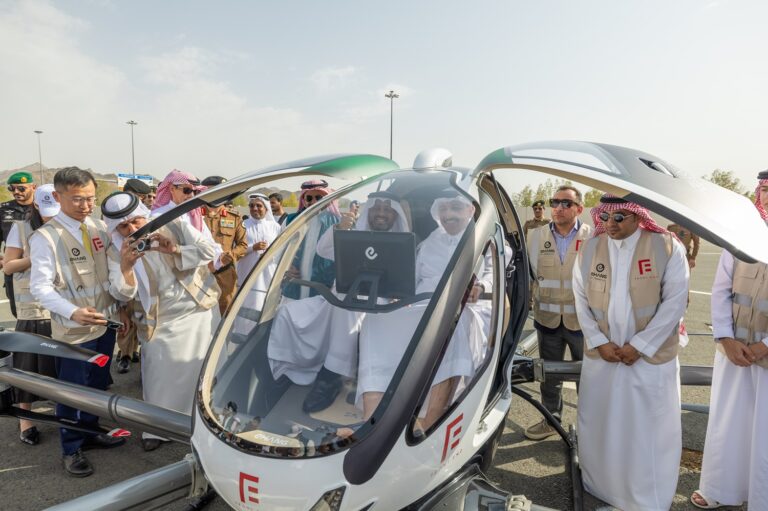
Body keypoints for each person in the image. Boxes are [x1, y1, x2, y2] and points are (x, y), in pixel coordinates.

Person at [573, 194, 689, 511]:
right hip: (604, 357)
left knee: (646, 430)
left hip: (649, 360)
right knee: (601, 423)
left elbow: (675, 303)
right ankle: (602, 486)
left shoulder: (666, 246)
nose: (610, 224)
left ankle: (645, 498)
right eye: (605, 217)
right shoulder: (590, 248)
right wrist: (598, 341)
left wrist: (640, 346)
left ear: (638, 217)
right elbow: (580, 299)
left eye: (619, 217)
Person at [29, 167, 134, 477]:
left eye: (90, 198)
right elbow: (40, 287)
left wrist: (121, 310)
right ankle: (71, 447)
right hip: (74, 331)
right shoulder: (46, 237)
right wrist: (71, 311)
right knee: (73, 391)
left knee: (98, 385)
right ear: (58, 196)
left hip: (105, 325)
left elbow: (112, 275)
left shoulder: (99, 228)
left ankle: (90, 432)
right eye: (77, 199)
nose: (86, 205)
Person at [353, 191, 488, 431]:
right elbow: (411, 279)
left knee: (453, 321)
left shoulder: (484, 238)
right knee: (376, 320)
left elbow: (492, 275)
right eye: (444, 209)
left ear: (470, 210)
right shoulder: (429, 242)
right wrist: (399, 292)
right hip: (422, 303)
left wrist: (481, 286)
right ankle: (370, 419)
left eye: (455, 208)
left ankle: (430, 421)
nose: (448, 214)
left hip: (467, 305)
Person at [268, 191, 410, 413]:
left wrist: (401, 294)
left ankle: (332, 376)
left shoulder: (406, 244)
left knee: (350, 303)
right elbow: (323, 250)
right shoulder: (353, 236)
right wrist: (340, 228)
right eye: (376, 208)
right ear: (369, 211)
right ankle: (287, 371)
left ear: (395, 215)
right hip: (338, 302)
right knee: (288, 312)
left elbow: (411, 282)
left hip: (383, 307)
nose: (381, 213)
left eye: (387, 209)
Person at [102, 192, 221, 452]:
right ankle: (157, 428)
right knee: (159, 374)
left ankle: (201, 423)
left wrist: (175, 249)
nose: (132, 229)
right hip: (159, 320)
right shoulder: (115, 251)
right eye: (124, 226)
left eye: (135, 221)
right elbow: (121, 293)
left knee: (203, 370)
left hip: (199, 310)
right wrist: (126, 266)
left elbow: (209, 251)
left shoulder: (175, 223)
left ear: (144, 215)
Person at [690, 170, 768, 510]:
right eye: (765, 189)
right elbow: (721, 290)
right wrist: (724, 338)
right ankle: (720, 489)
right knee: (728, 424)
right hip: (735, 350)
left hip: (764, 352)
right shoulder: (742, 236)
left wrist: (765, 345)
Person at [523, 186, 591, 440]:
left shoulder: (593, 236)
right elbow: (530, 276)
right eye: (555, 202)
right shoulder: (535, 236)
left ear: (579, 209)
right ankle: (551, 420)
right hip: (547, 321)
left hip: (583, 323)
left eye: (566, 203)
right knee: (550, 375)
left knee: (588, 377)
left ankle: (590, 428)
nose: (558, 208)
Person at [2, 184, 59, 445]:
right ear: (35, 205)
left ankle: (67, 411)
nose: (50, 217)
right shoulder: (22, 228)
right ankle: (25, 420)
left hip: (64, 307)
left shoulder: (68, 226)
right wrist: (37, 257)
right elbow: (9, 265)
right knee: (28, 365)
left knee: (62, 365)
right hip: (34, 310)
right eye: (46, 211)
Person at [115, 179, 152, 373]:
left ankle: (136, 350)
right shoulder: (115, 214)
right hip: (125, 276)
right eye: (137, 196)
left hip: (144, 280)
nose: (140, 200)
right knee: (126, 318)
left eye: (141, 198)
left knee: (142, 318)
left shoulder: (144, 214)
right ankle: (125, 355)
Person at [281, 180, 341, 300]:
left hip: (323, 289)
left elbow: (342, 257)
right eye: (309, 198)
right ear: (303, 200)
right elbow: (279, 251)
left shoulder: (337, 223)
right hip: (293, 287)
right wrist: (286, 266)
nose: (313, 202)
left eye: (319, 198)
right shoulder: (291, 220)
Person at [201, 176, 248, 315]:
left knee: (226, 311)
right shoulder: (195, 215)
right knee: (200, 312)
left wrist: (229, 256)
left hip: (225, 273)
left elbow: (243, 245)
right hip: (200, 272)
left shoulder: (234, 217)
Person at [1, 171, 36, 318]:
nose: (16, 192)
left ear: (33, 187)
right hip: (15, 270)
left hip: (39, 267)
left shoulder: (42, 208)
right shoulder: (3, 210)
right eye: (12, 188)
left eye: (21, 188)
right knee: (19, 313)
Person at [237, 193, 282, 288]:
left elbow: (281, 250)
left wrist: (270, 254)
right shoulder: (242, 226)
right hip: (246, 274)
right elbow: (235, 250)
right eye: (251, 206)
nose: (255, 208)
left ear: (266, 209)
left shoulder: (275, 227)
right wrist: (252, 248)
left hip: (268, 273)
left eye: (259, 205)